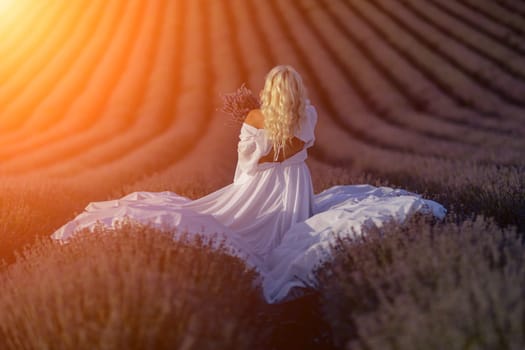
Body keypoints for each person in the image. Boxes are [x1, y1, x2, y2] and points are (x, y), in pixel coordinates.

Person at [52, 65, 446, 303]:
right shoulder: (307, 113)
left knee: (234, 224)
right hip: (294, 182)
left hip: (263, 184)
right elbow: (298, 148)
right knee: (286, 229)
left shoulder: (255, 118)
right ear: (297, 91)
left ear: (270, 91)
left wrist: (247, 175)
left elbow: (248, 162)